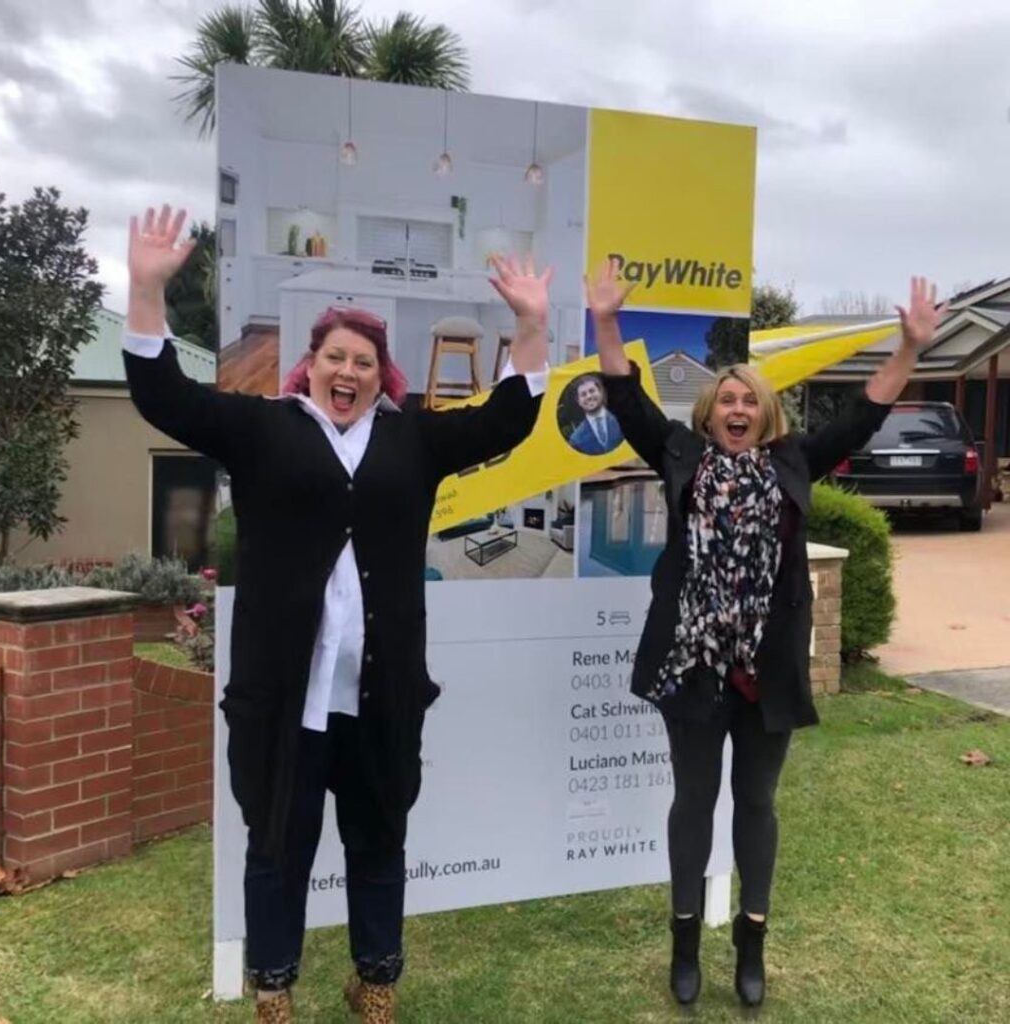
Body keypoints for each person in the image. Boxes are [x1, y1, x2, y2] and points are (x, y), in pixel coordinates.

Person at [123, 205, 551, 1024]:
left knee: (379, 839)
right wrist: (147, 289)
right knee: (276, 844)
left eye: (363, 360)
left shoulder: (412, 439)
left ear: (382, 375)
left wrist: (530, 325)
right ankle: (273, 989)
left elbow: (508, 418)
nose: (348, 371)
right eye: (334, 357)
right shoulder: (263, 429)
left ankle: (375, 982)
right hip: (283, 699)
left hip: (380, 698)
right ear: (308, 366)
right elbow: (164, 395)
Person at [584, 260, 945, 1009]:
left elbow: (863, 416)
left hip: (765, 672)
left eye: (751, 398)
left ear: (767, 413)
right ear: (709, 413)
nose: (739, 406)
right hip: (691, 668)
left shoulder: (793, 463)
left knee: (756, 803)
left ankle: (752, 943)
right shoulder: (681, 456)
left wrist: (910, 347)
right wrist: (608, 323)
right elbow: (627, 400)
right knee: (692, 801)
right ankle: (685, 943)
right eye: (727, 398)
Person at [567, 374, 624, 455]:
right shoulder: (576, 439)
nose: (589, 396)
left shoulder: (624, 419)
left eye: (592, 391)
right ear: (579, 401)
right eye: (583, 394)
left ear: (601, 392)